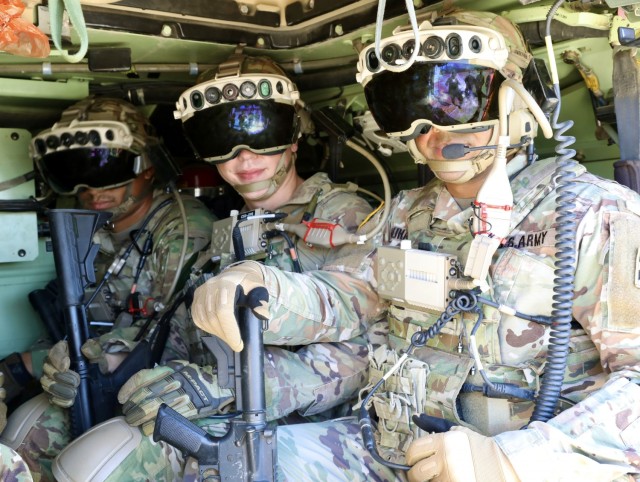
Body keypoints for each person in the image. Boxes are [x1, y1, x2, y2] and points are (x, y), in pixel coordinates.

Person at [194, 8, 640, 482]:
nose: (431, 133)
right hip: (391, 449)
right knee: (229, 464)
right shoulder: (407, 210)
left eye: (456, 101)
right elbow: (352, 298)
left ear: (512, 99)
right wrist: (261, 286)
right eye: (408, 111)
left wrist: (515, 462)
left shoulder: (594, 213)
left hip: (520, 464)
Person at [50, 53, 387, 481]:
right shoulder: (228, 232)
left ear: (294, 135)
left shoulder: (345, 217)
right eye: (220, 140)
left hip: (308, 421)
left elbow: (364, 354)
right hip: (230, 410)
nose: (242, 156)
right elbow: (177, 331)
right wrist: (107, 360)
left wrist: (228, 387)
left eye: (261, 133)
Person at [0, 96, 215, 481]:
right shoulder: (93, 230)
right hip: (91, 372)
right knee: (25, 436)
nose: (90, 188)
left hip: (152, 384)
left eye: (106, 168)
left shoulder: (183, 229)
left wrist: (41, 362)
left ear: (147, 168)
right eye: (75, 172)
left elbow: (169, 337)